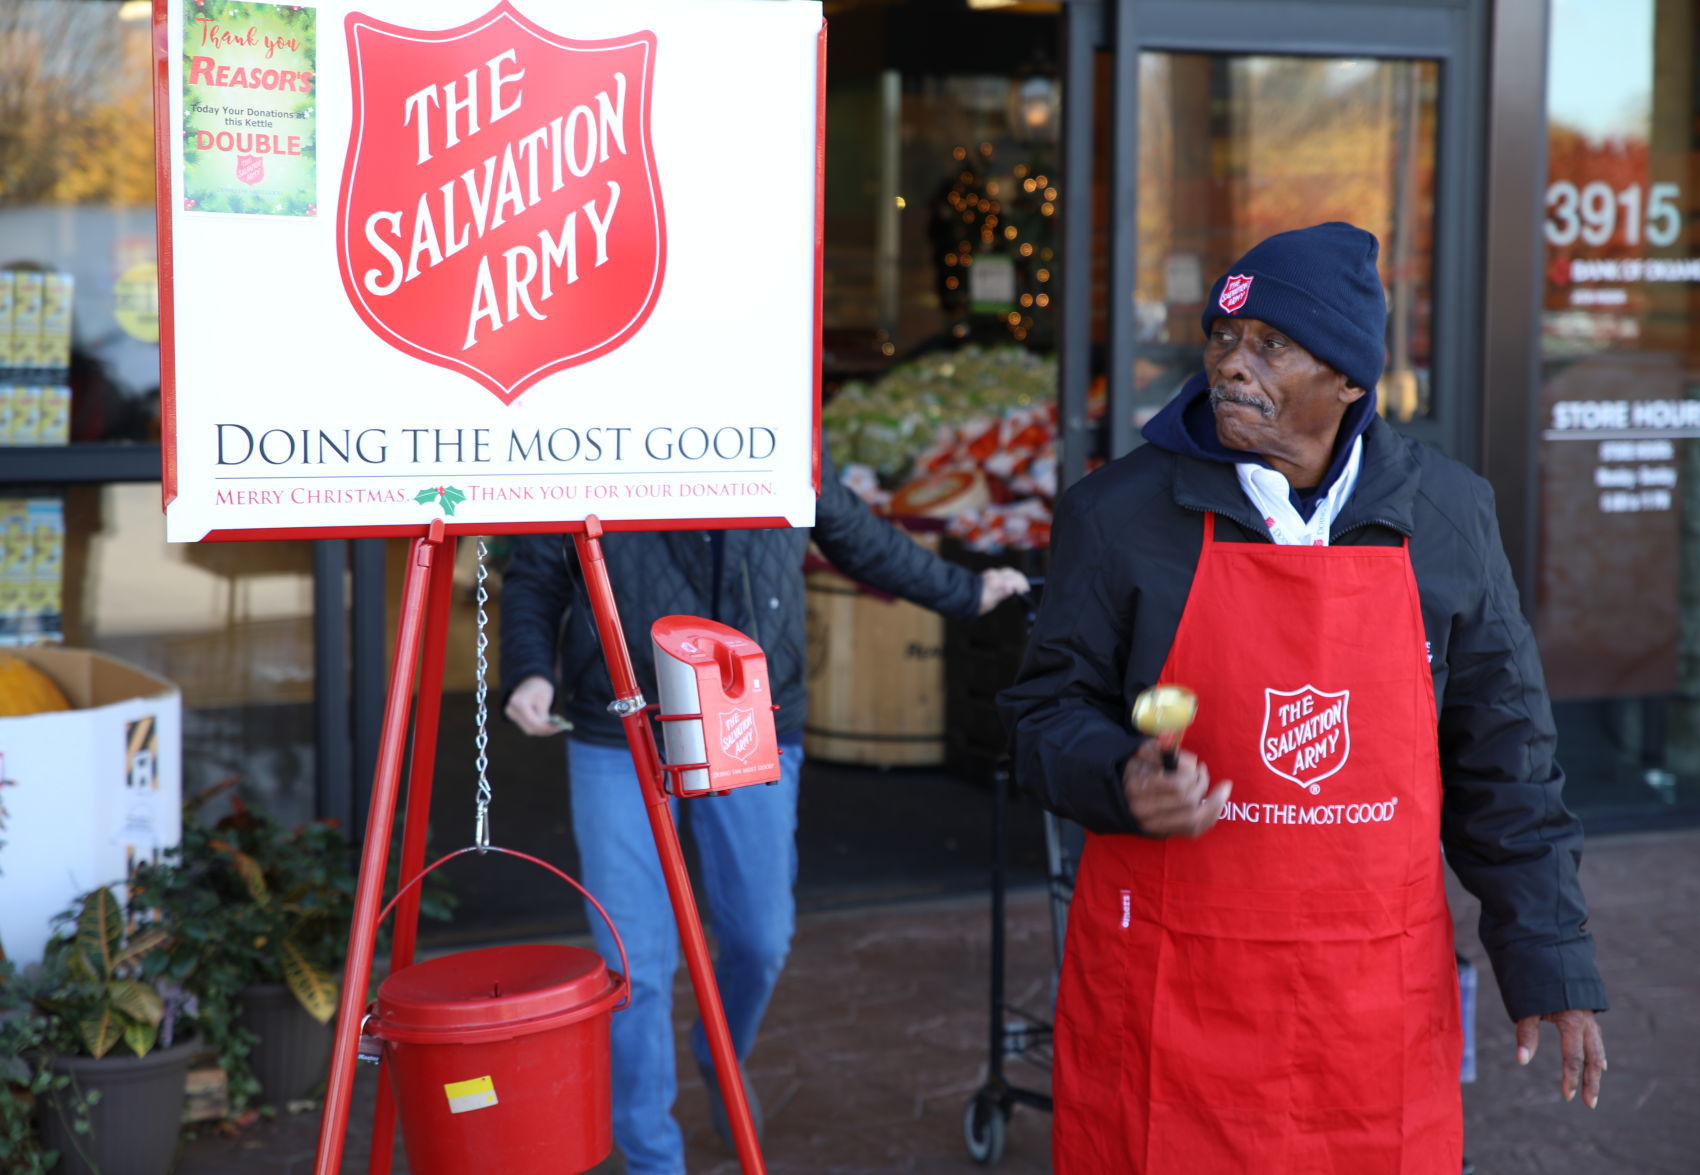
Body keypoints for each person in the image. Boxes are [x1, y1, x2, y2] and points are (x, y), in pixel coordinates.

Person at [998, 222, 1608, 1174]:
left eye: (1270, 346)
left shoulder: (1446, 514)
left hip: (1371, 998)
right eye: (1221, 340)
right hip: (1173, 991)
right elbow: (1041, 716)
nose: (1231, 367)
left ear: (1351, 382)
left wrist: (1550, 962)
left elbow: (1506, 758)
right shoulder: (1117, 513)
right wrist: (1115, 775)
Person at [499, 473, 1028, 1175]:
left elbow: (848, 529)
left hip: (744, 708)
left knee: (760, 936)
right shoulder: (601, 410)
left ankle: (721, 1048)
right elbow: (538, 563)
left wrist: (963, 591)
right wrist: (530, 669)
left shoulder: (776, 405)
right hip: (618, 716)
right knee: (635, 965)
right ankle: (653, 1158)